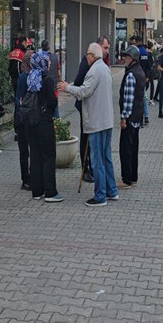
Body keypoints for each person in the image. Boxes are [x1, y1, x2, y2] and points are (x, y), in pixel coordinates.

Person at [59, 43, 118, 207]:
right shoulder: (105, 68)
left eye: (87, 54)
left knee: (97, 159)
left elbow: (84, 91)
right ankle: (111, 190)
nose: (86, 57)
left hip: (97, 121)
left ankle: (100, 196)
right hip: (106, 120)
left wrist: (67, 87)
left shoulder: (94, 70)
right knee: (106, 158)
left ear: (92, 55)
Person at [24, 51, 62, 202]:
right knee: (48, 156)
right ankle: (50, 192)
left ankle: (37, 191)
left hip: (30, 122)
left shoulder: (29, 77)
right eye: (47, 61)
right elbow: (52, 102)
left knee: (35, 155)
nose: (50, 63)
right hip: (44, 122)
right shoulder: (47, 80)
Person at [74, 35, 111, 182]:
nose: (107, 51)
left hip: (98, 107)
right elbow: (78, 83)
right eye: (105, 48)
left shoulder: (102, 63)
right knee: (87, 136)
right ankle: (85, 168)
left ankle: (93, 167)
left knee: (95, 139)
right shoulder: (88, 62)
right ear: (98, 47)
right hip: (86, 105)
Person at [118, 45, 145, 189]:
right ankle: (133, 177)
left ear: (133, 58)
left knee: (126, 148)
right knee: (134, 148)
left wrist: (123, 118)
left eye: (126, 56)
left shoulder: (130, 74)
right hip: (137, 116)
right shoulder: (140, 72)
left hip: (130, 117)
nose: (124, 59)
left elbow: (128, 99)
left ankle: (126, 179)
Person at [14, 50, 33, 191]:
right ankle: (25, 179)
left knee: (28, 150)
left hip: (26, 116)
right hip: (23, 117)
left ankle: (29, 177)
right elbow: (18, 99)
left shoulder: (29, 75)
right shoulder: (24, 77)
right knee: (24, 151)